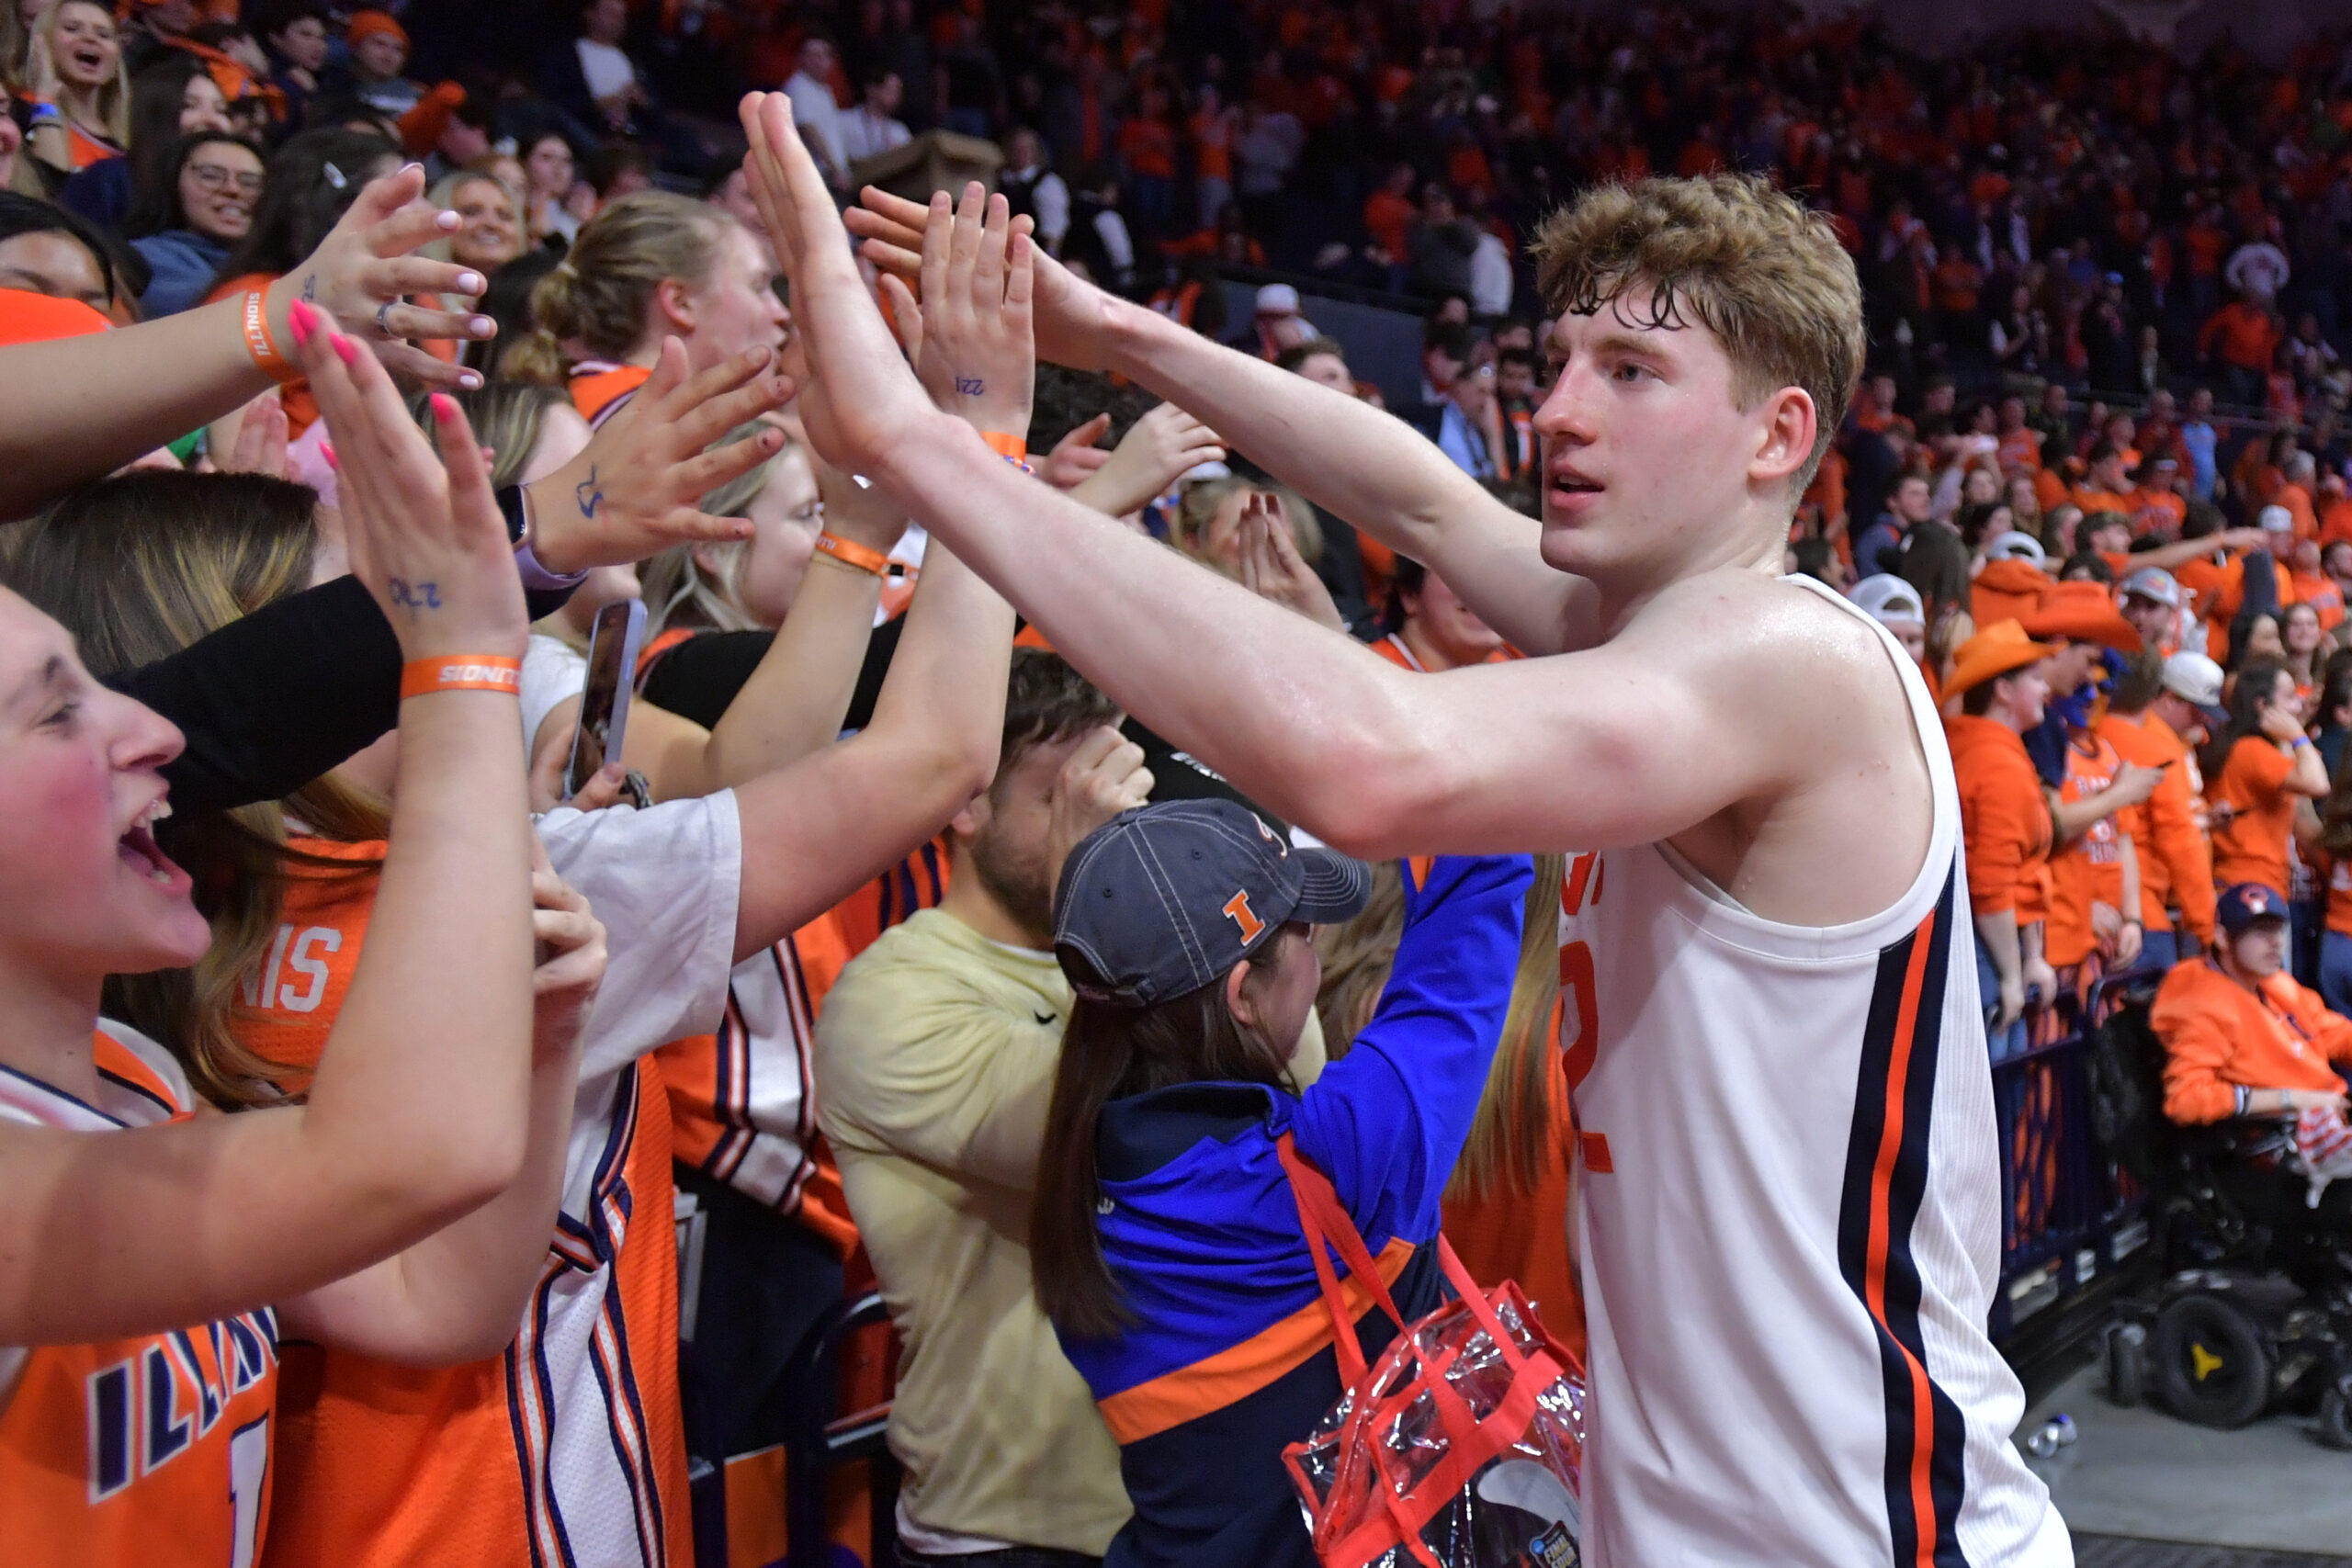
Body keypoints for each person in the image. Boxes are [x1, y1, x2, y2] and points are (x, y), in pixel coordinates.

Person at [806, 133, 2069, 1561]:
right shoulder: (1645, 633)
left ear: (1778, 435)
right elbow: (1418, 501)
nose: (1558, 413)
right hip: (1710, 1510)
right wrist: (1109, 329)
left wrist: (930, 445)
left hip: (1858, 1524)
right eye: (1562, 361)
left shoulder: (1789, 657)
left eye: (1631, 373)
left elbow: (1373, 762)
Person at [0, 301, 583, 1565]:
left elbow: (447, 1301)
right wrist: (459, 664)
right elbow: (411, 1153)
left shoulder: (139, 1075)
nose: (159, 731)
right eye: (57, 715)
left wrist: (541, 1045)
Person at [1029, 803, 1528, 1565]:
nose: (1316, 940)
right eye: (1300, 926)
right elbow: (1478, 900)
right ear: (1243, 996)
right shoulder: (1345, 1160)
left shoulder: (1082, 1196)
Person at [813, 653, 1159, 1563]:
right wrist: (1108, 893)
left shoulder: (1143, 958)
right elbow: (1109, 1139)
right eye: (1061, 797)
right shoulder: (892, 999)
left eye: (1113, 787)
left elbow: (1285, 1088)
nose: (1108, 824)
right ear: (964, 805)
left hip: (1189, 1500)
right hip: (1012, 1529)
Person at [2151, 884, 2352, 1240]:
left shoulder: (2271, 983)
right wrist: (2293, 1099)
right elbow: (2187, 1100)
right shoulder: (2203, 1003)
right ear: (2223, 938)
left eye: (2276, 930)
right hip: (2279, 1153)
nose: (2275, 942)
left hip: (2329, 1120)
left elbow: (2329, 1031)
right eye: (2259, 932)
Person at [508, 191, 786, 426]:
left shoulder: (597, 401)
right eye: (758, 286)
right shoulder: (656, 425)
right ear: (680, 302)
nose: (781, 313)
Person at [1946, 620, 2060, 1056]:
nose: (2046, 687)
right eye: (2034, 677)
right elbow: (1990, 885)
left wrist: (2030, 956)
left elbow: (2019, 872)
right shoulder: (1996, 763)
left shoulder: (1985, 749)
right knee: (1992, 1111)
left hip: (1989, 949)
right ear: (2003, 691)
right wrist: (2013, 975)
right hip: (1985, 957)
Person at [2096, 650, 2220, 973]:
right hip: (2142, 918)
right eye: (2195, 711)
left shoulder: (2087, 734)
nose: (2202, 722)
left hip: (2089, 912)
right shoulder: (2157, 749)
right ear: (2164, 696)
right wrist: (2205, 925)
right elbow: (2180, 842)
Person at [2202, 660, 2328, 898]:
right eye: (2289, 696)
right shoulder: (2252, 750)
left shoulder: (2238, 745)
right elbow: (2318, 783)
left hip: (2242, 881)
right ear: (2262, 705)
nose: (2298, 703)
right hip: (2254, 883)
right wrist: (2297, 735)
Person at [123, 130, 259, 317]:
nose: (233, 189)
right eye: (210, 176)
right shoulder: (140, 260)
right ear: (174, 183)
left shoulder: (286, 264)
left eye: (250, 182)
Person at [23, 0, 128, 182]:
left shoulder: (130, 137)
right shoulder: (23, 111)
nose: (90, 38)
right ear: (44, 44)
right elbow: (50, 185)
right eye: (72, 29)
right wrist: (46, 100)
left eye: (103, 35)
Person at [1375, 556, 1509, 671]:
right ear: (1409, 595)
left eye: (1497, 570)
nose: (1485, 588)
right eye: (1459, 569)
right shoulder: (1369, 676)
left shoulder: (1519, 669)